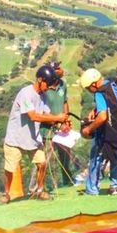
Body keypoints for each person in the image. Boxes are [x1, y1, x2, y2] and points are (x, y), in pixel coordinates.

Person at [0, 64, 69, 204]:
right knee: (10, 169)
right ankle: (6, 193)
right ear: (40, 80)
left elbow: (45, 114)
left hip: (32, 139)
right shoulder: (25, 93)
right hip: (16, 139)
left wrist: (61, 123)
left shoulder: (43, 97)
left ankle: (40, 190)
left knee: (42, 163)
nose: (48, 87)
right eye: (47, 84)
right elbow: (33, 116)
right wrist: (57, 118)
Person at [79, 67, 117, 196]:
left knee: (96, 156)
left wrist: (88, 129)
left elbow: (102, 117)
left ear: (94, 84)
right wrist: (95, 109)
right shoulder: (111, 84)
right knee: (115, 156)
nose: (89, 91)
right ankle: (114, 186)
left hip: (106, 131)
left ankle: (92, 189)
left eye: (88, 88)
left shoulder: (99, 92)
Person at [41, 62, 74, 190]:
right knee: (47, 161)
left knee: (65, 157)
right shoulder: (44, 88)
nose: (61, 70)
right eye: (58, 69)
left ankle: (68, 182)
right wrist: (57, 123)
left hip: (62, 130)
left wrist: (66, 120)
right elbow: (42, 111)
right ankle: (39, 187)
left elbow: (65, 102)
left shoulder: (62, 84)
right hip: (47, 130)